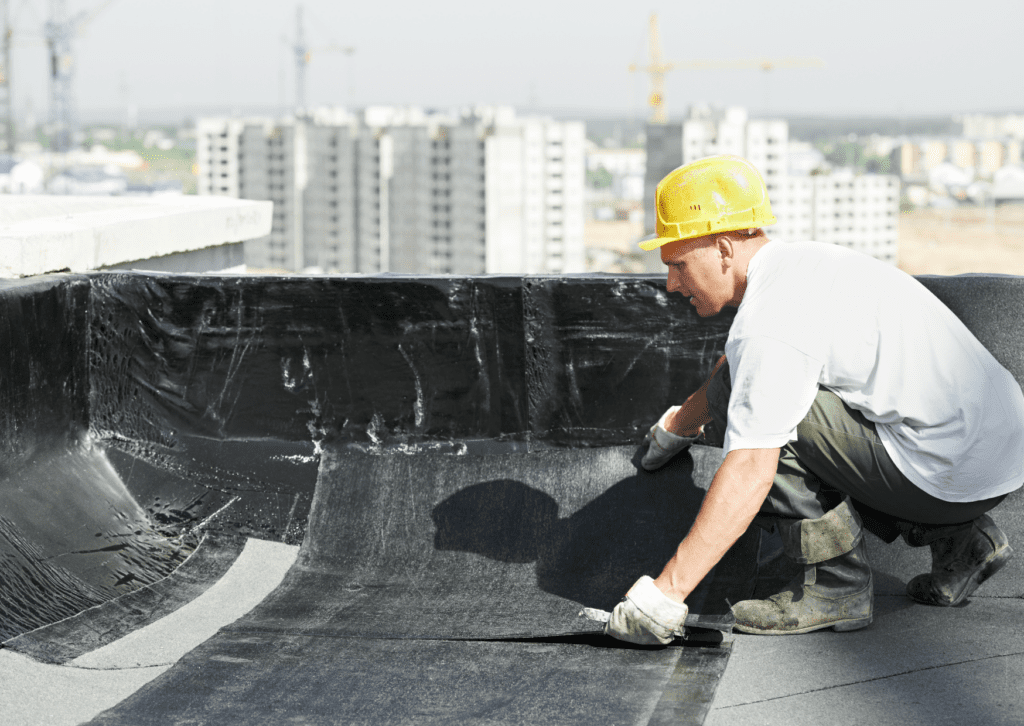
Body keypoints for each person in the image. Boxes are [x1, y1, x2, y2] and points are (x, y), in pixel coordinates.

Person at [604, 155, 1024, 645]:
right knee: (750, 390)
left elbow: (750, 468)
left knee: (764, 423)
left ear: (722, 249)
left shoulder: (770, 321)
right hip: (995, 457)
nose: (672, 284)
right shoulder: (804, 263)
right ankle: (960, 541)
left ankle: (836, 586)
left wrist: (665, 595)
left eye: (678, 265)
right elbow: (739, 365)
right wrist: (679, 425)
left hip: (947, 473)